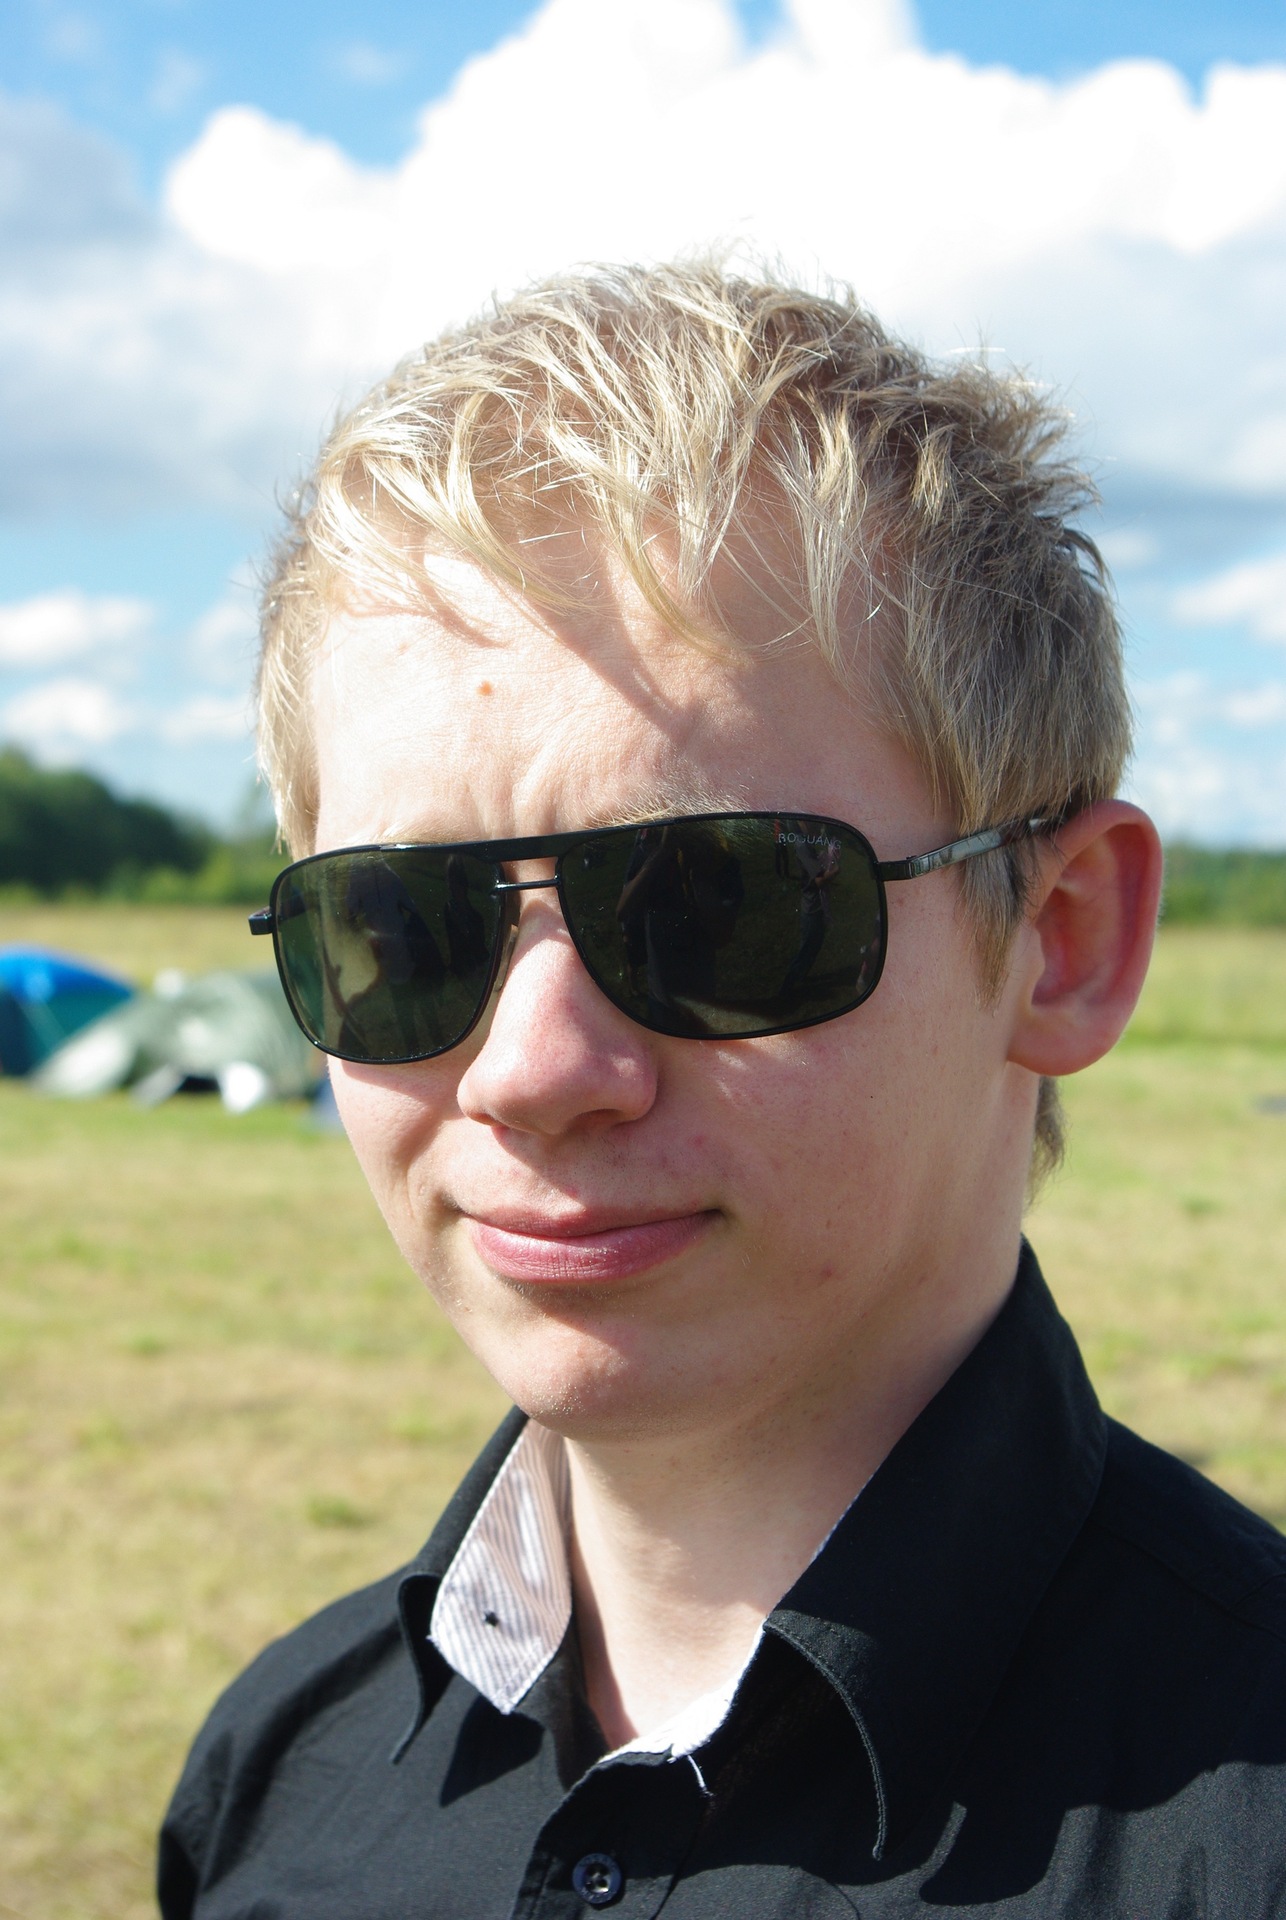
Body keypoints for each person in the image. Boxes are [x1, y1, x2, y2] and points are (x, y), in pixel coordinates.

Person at [158, 264, 1286, 1918]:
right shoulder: (277, 1775)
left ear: (1059, 942)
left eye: (719, 908)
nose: (534, 1071)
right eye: (397, 923)